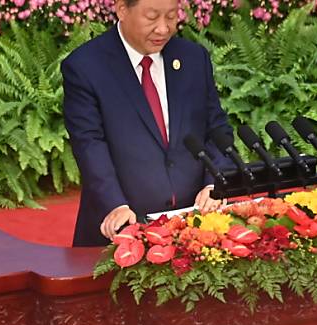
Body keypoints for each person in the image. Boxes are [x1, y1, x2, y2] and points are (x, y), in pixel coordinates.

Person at [61, 0, 232, 246]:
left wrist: (215, 183)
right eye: (152, 17)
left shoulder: (194, 59)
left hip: (195, 229)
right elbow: (89, 144)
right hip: (121, 229)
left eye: (171, 17)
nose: (163, 29)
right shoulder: (86, 66)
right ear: (122, 9)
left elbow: (217, 131)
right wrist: (115, 204)